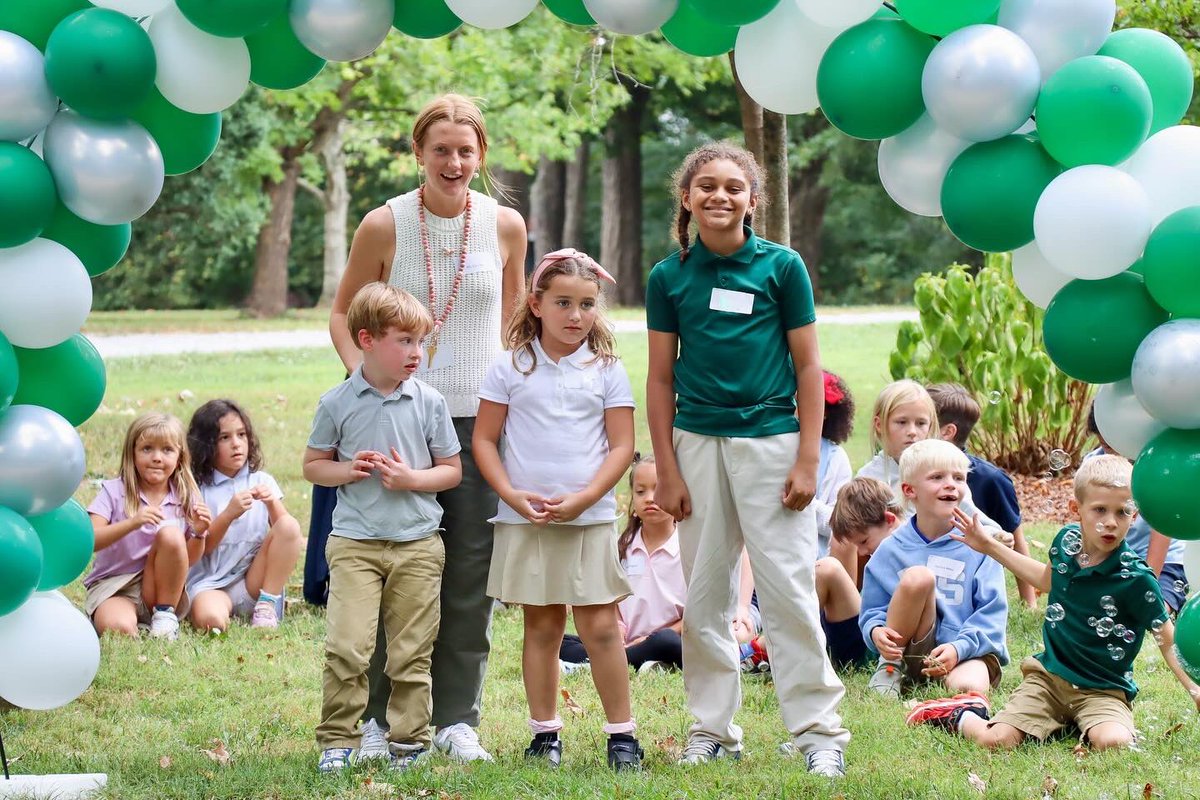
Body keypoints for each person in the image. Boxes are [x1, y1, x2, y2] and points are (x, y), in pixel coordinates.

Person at [320, 93, 527, 763]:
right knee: (394, 570)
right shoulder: (386, 225)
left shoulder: (505, 225)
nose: (454, 161)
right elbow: (344, 316)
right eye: (441, 149)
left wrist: (519, 393)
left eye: (466, 150)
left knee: (470, 571)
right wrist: (367, 388)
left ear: (481, 156)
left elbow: (514, 321)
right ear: (419, 153)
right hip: (399, 426)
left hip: (478, 422)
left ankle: (456, 719)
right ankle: (379, 720)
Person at [645, 141, 849, 777]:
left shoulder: (781, 267)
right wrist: (668, 469)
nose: (719, 196)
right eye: (706, 186)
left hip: (771, 443)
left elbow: (809, 365)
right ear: (686, 197)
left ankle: (817, 733)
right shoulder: (668, 277)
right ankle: (712, 729)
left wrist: (808, 459)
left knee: (788, 590)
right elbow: (658, 381)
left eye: (734, 187)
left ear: (753, 200)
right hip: (696, 445)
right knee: (704, 596)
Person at [474, 249, 642, 771]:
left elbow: (621, 446)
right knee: (542, 630)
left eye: (587, 304)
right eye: (563, 302)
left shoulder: (607, 369)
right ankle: (544, 734)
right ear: (537, 304)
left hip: (588, 521)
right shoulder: (509, 366)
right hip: (528, 520)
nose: (575, 315)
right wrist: (512, 495)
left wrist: (587, 498)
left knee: (601, 630)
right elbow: (484, 439)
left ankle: (622, 736)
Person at [908, 454, 1200, 748]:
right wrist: (988, 545)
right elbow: (1046, 581)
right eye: (1099, 510)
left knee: (1115, 743)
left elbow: (1167, 640)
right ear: (1077, 509)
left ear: (1134, 515)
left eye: (1122, 512)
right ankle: (959, 714)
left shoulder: (1136, 578)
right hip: (1049, 679)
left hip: (1104, 690)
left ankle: (1089, 721)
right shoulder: (1065, 542)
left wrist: (1194, 688)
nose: (1110, 522)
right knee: (996, 740)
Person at [304, 283, 463, 773]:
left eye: (420, 342)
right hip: (354, 544)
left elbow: (451, 470)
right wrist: (346, 470)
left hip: (418, 545)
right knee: (347, 647)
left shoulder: (430, 402)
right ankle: (338, 740)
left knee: (411, 653)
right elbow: (313, 465)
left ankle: (409, 743)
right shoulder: (337, 403)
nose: (416, 353)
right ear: (367, 340)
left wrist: (413, 479)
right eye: (405, 341)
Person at [859, 439, 1009, 702]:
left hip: (967, 651)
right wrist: (876, 630)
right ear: (909, 490)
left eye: (959, 478)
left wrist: (958, 648)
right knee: (917, 577)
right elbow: (872, 608)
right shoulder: (892, 548)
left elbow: (991, 615)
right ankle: (890, 669)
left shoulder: (981, 545)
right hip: (911, 652)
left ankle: (952, 675)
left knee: (967, 688)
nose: (951, 484)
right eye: (937, 477)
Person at [84, 412, 211, 641]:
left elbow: (187, 560)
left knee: (171, 536)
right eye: (147, 449)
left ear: (180, 456)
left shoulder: (186, 496)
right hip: (115, 586)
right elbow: (89, 540)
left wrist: (199, 532)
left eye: (167, 450)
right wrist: (132, 523)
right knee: (118, 630)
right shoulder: (113, 491)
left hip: (160, 588)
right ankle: (131, 621)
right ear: (132, 452)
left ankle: (164, 616)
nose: (157, 457)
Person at [559, 452, 686, 674]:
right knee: (560, 642)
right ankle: (635, 662)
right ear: (632, 500)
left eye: (658, 489)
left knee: (667, 642)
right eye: (640, 491)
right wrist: (617, 630)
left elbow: (695, 616)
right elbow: (613, 599)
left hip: (669, 637)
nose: (649, 498)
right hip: (623, 641)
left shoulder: (686, 548)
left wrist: (649, 638)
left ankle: (596, 665)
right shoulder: (623, 546)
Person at [185, 399, 303, 633]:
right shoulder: (197, 489)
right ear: (206, 444)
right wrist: (227, 515)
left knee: (289, 524)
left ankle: (267, 605)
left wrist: (271, 503)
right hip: (211, 585)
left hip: (252, 582)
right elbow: (202, 549)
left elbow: (289, 536)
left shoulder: (262, 480)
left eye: (241, 435)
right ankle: (224, 613)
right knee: (211, 622)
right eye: (224, 438)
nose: (236, 444)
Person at [927, 382, 1037, 609]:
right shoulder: (913, 471)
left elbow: (1016, 538)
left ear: (947, 432)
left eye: (923, 422)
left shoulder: (990, 480)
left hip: (971, 580)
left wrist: (1030, 603)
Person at [858, 380, 1010, 543]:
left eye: (921, 423)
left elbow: (973, 519)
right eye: (902, 422)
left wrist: (993, 535)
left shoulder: (945, 472)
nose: (912, 431)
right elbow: (853, 531)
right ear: (879, 425)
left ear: (931, 426)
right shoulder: (869, 477)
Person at [1086, 405, 1190, 614]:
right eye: (1105, 445)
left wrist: (1146, 584)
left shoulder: (1156, 467)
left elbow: (1161, 529)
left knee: (1151, 611)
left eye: (1115, 445)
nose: (1111, 452)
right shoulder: (1093, 464)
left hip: (1164, 563)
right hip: (1111, 557)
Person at [812, 477, 905, 671]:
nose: (861, 552)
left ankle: (768, 649)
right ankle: (772, 648)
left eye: (863, 542)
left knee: (828, 568)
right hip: (866, 631)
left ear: (889, 520)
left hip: (877, 649)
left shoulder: (914, 550)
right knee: (826, 568)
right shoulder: (881, 549)